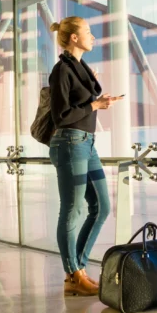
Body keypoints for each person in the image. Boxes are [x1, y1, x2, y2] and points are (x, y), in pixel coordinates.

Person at [47, 16, 122, 297]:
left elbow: (84, 104)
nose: (93, 37)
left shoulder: (79, 67)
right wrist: (95, 105)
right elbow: (61, 116)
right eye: (88, 32)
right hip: (70, 142)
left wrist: (99, 102)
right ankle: (74, 274)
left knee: (102, 207)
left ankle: (77, 269)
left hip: (87, 143)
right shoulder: (61, 71)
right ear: (74, 38)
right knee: (72, 209)